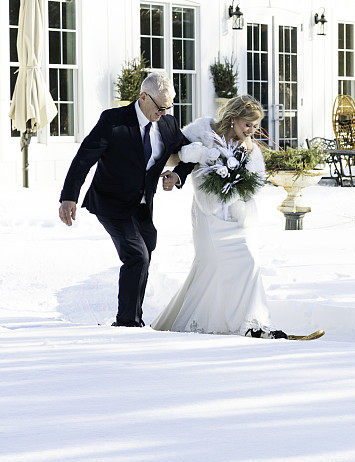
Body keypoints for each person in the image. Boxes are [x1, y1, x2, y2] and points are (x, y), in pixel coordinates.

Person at [59, 72, 192, 327]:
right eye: (160, 107)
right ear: (143, 97)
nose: (164, 112)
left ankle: (135, 317)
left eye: (169, 107)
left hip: (142, 205)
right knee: (136, 256)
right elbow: (84, 158)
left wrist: (176, 175)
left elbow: (189, 154)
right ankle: (127, 323)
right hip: (110, 202)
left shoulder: (167, 124)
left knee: (147, 248)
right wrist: (69, 197)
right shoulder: (114, 121)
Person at [150, 95, 285, 339]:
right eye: (247, 124)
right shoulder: (203, 130)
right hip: (208, 215)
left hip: (236, 217)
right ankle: (195, 321)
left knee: (249, 261)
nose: (251, 131)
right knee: (211, 267)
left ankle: (253, 323)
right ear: (233, 119)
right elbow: (181, 156)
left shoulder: (250, 149)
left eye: (255, 126)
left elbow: (256, 181)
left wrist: (237, 185)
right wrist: (178, 174)